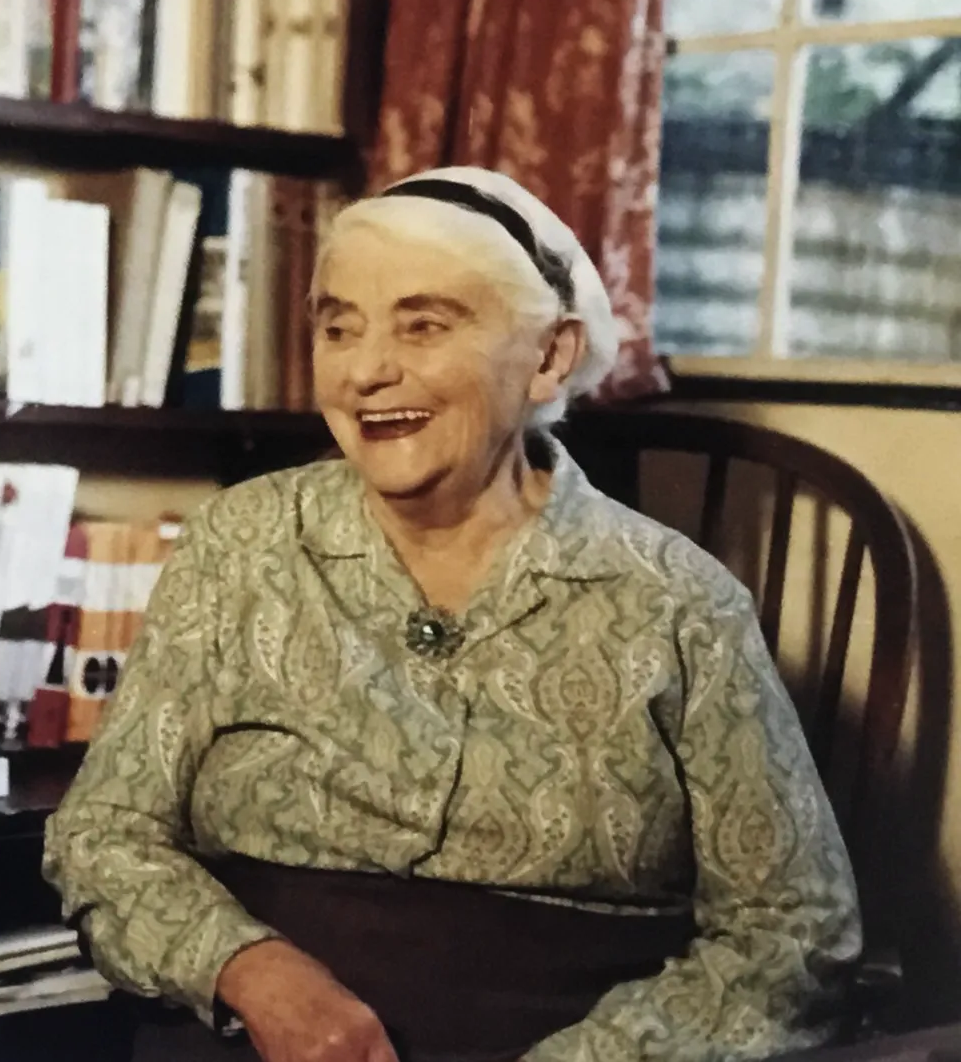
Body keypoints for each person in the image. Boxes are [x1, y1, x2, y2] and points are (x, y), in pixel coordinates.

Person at [43, 167, 861, 1062]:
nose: (365, 371)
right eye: (338, 327)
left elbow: (793, 936)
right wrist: (251, 969)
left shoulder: (680, 603)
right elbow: (104, 834)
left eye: (424, 325)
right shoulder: (239, 546)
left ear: (549, 355)